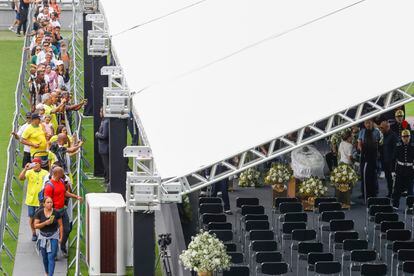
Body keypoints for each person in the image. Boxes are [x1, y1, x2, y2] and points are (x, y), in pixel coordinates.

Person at [44, 166, 82, 257]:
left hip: (62, 210)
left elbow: (65, 193)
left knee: (67, 229)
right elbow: (47, 200)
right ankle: (53, 251)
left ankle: (62, 245)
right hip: (54, 212)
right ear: (56, 174)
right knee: (53, 231)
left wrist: (76, 197)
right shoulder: (49, 186)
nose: (63, 174)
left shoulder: (61, 181)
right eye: (61, 173)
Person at [18, 157, 49, 241]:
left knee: (42, 217)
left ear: (40, 164)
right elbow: (21, 178)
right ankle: (34, 233)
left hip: (41, 200)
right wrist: (25, 169)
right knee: (31, 217)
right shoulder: (29, 172)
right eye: (33, 163)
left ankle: (43, 233)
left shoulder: (45, 173)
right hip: (31, 200)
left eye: (36, 163)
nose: (34, 165)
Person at [34, 197, 63, 276]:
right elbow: (35, 226)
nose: (50, 204)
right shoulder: (39, 213)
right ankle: (47, 272)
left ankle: (50, 274)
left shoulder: (56, 213)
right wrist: (45, 223)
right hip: (43, 237)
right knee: (45, 257)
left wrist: (61, 237)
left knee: (51, 257)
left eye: (51, 202)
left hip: (53, 236)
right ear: (44, 204)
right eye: (48, 202)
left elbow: (60, 225)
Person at [358, 119, 381, 202]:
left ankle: (374, 193)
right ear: (364, 124)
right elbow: (359, 144)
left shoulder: (377, 132)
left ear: (372, 123)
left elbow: (378, 144)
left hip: (373, 156)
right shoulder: (362, 132)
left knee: (373, 175)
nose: (368, 124)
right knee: (364, 176)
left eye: (369, 122)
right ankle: (364, 194)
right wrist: (362, 151)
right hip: (364, 156)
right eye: (366, 123)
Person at [392, 130, 414, 208]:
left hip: (410, 169)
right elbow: (394, 158)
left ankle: (410, 205)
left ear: (410, 137)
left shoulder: (412, 145)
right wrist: (393, 171)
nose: (406, 138)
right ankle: (395, 204)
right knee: (397, 188)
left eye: (407, 136)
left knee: (410, 189)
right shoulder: (398, 146)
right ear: (401, 137)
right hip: (400, 169)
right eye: (404, 137)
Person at [379, 120, 398, 197]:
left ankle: (394, 194)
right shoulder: (383, 135)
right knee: (388, 178)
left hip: (391, 162)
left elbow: (395, 150)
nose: (380, 129)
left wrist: (392, 162)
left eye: (382, 128)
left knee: (393, 179)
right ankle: (390, 193)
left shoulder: (393, 136)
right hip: (385, 161)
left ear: (387, 127)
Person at [95, 107, 109, 184]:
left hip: (104, 147)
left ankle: (108, 180)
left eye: (100, 112)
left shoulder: (106, 122)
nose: (99, 114)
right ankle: (106, 178)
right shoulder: (104, 121)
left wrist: (97, 134)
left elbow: (104, 135)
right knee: (105, 164)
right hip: (103, 147)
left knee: (106, 165)